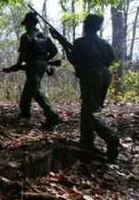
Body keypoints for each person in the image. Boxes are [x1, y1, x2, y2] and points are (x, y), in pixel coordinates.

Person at [50, 14, 119, 162]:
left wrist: (63, 44)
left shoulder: (80, 42)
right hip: (105, 75)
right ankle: (86, 141)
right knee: (89, 108)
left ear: (87, 25)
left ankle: (110, 137)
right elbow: (111, 59)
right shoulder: (104, 43)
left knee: (90, 112)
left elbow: (73, 59)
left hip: (91, 76)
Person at [3, 12, 61, 129]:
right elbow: (54, 51)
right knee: (28, 90)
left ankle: (52, 116)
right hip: (42, 66)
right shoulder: (44, 36)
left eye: (26, 24)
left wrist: (16, 66)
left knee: (35, 90)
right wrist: (44, 60)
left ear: (30, 23)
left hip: (33, 67)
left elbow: (23, 56)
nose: (25, 26)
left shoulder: (26, 37)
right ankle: (25, 114)